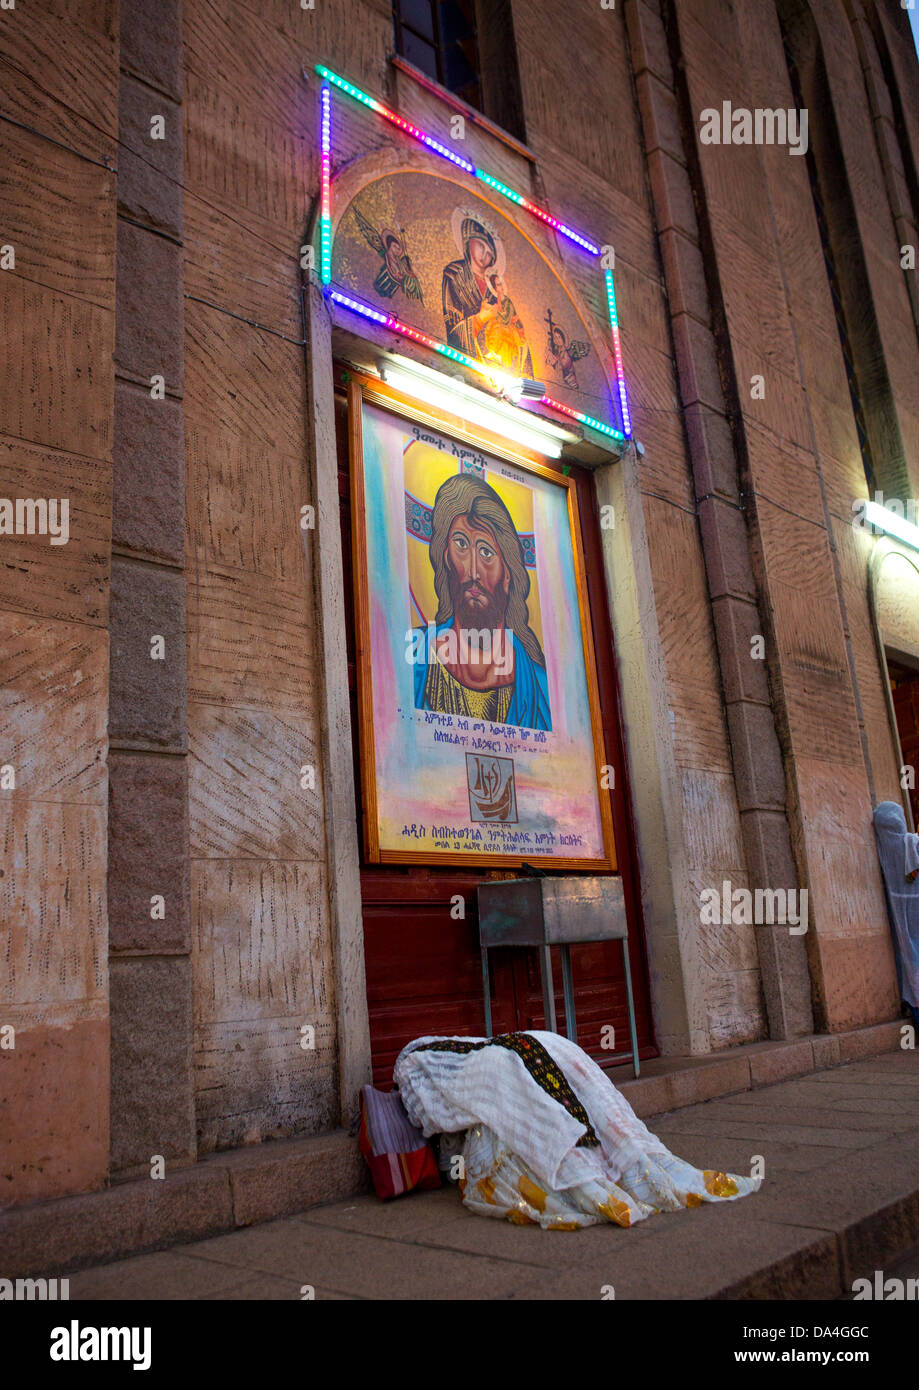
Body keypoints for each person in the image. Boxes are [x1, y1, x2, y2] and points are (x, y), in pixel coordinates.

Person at [394, 1030, 762, 1229]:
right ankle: (618, 1166)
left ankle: (588, 1178)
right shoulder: (452, 1056)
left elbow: (435, 1116)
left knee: (525, 1109)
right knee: (581, 1108)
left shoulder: (414, 1069)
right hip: (546, 1045)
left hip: (515, 1058)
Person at [412, 472, 551, 731]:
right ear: (446, 558)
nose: (473, 570)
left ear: (507, 573)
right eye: (461, 545)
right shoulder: (414, 659)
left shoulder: (538, 686)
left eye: (486, 552)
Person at [873, 800, 919, 1030]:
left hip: (901, 921)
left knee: (911, 972)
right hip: (913, 916)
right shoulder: (912, 844)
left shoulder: (883, 849)